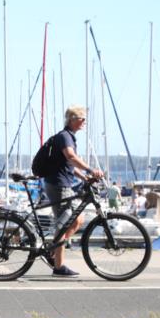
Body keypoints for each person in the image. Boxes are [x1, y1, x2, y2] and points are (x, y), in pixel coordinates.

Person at [42, 105, 104, 278]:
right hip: (59, 185)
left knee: (78, 220)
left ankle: (53, 250)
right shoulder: (65, 137)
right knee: (65, 225)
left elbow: (68, 165)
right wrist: (91, 170)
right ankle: (58, 266)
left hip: (62, 183)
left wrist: (85, 178)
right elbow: (71, 157)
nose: (84, 122)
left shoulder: (68, 137)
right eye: (81, 118)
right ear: (72, 119)